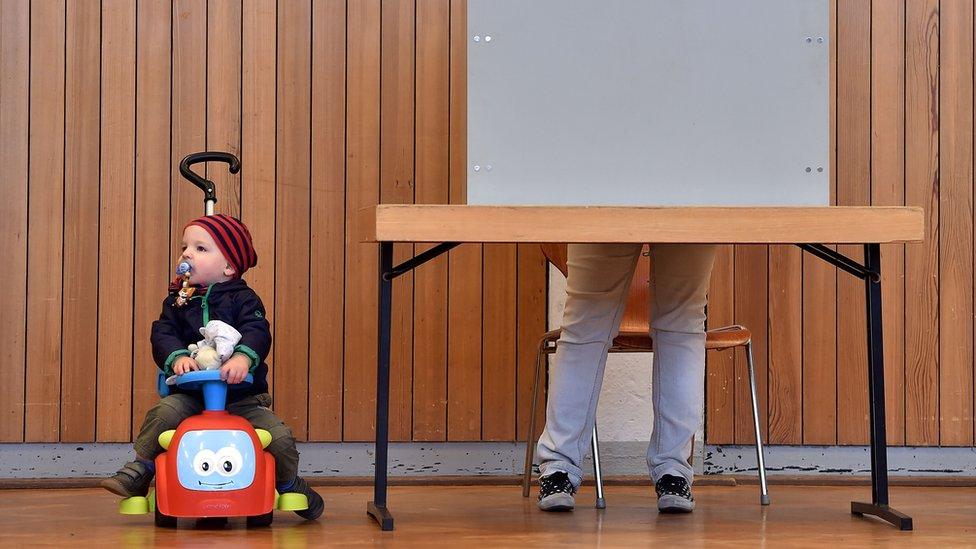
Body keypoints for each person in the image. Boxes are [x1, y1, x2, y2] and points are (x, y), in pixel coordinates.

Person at [100, 213, 324, 521]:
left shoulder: (244, 299)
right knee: (163, 414)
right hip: (192, 397)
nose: (186, 254)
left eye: (200, 248)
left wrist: (243, 357)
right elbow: (163, 332)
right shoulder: (179, 299)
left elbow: (257, 331)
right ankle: (141, 469)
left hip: (242, 400)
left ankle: (287, 482)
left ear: (229, 267)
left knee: (280, 436)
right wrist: (177, 356)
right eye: (185, 247)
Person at [535, 243, 716, 513]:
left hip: (604, 203)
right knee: (680, 321)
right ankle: (672, 471)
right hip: (684, 204)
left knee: (587, 322)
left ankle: (559, 467)